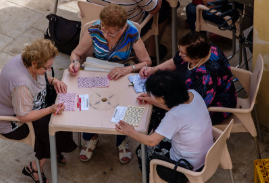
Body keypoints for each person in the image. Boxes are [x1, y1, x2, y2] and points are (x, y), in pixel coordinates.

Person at [69, 4, 151, 163]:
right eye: (103, 28)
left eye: (111, 31)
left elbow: (146, 62)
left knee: (125, 104)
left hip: (123, 71)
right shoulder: (95, 28)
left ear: (122, 26)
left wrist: (128, 69)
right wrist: (75, 63)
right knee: (86, 102)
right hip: (97, 71)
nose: (105, 33)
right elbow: (76, 53)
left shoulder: (131, 32)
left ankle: (122, 140)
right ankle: (91, 137)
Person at [0, 39, 77, 183]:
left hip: (28, 107)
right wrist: (50, 109)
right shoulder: (21, 85)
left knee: (61, 115)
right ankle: (35, 167)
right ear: (34, 64)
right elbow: (23, 116)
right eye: (47, 67)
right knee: (52, 126)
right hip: (13, 124)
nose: (49, 70)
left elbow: (42, 74)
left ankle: (54, 150)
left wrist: (54, 81)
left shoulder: (27, 60)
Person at [116, 70, 214, 181]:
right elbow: (179, 109)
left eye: (154, 94)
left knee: (142, 150)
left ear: (163, 97)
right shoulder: (193, 94)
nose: (152, 96)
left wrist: (131, 132)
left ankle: (151, 179)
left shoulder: (174, 116)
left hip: (186, 167)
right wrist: (153, 101)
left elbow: (151, 141)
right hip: (206, 156)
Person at [140, 32, 237, 125]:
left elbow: (189, 109)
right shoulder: (203, 47)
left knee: (159, 116)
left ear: (196, 57)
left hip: (210, 110)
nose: (180, 54)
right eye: (179, 49)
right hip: (187, 96)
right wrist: (154, 69)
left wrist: (155, 102)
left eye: (183, 54)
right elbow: (175, 61)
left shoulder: (206, 78)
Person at [87, 0, 171, 64]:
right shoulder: (129, 29)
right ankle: (152, 54)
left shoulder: (94, 27)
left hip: (91, 21)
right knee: (163, 7)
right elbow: (155, 9)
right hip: (122, 30)